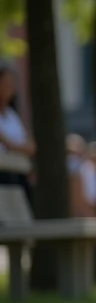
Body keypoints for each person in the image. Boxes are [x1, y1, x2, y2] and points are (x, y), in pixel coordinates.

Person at [0, 63, 35, 202]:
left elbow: (31, 147)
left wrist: (11, 145)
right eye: (6, 82)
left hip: (17, 176)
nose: (10, 87)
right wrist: (16, 147)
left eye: (13, 83)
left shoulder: (13, 116)